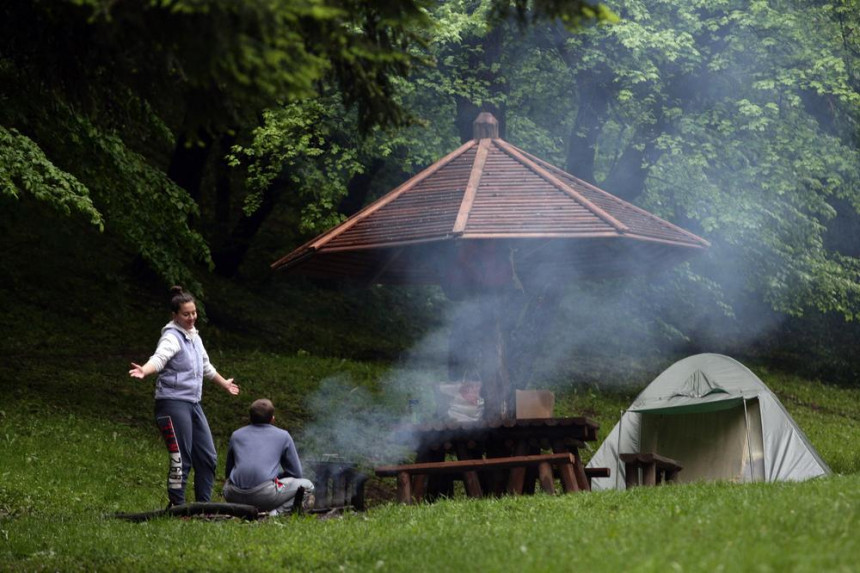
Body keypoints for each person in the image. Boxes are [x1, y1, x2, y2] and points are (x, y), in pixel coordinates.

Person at [129, 285, 240, 507]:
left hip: (193, 404)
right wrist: (145, 370)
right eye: (186, 314)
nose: (191, 318)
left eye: (194, 313)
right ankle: (178, 505)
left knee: (208, 457)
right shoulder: (171, 338)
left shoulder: (194, 337)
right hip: (172, 403)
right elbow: (159, 359)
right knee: (181, 458)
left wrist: (224, 383)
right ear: (175, 315)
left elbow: (206, 366)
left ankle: (203, 507)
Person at [222, 398, 315, 515]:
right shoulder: (283, 436)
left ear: (250, 418)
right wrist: (278, 477)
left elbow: (228, 472)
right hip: (264, 497)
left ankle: (240, 511)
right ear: (272, 419)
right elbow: (296, 473)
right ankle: (276, 513)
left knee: (229, 485)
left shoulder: (236, 435)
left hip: (233, 495)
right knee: (307, 485)